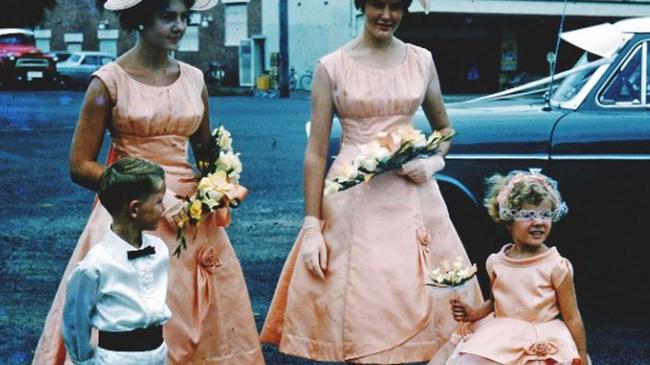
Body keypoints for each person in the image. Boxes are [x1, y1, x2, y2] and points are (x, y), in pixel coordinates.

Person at [33, 1, 265, 364]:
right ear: (140, 20)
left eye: (184, 17)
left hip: (190, 214)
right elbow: (79, 165)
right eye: (167, 16)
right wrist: (147, 193)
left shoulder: (194, 79)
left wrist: (221, 183)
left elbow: (204, 152)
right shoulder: (107, 82)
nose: (179, 26)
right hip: (133, 215)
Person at [260, 0, 483, 363]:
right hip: (353, 200)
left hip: (412, 195)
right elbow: (316, 152)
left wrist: (434, 161)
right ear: (361, 5)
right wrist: (313, 226)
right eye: (377, 4)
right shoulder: (331, 67)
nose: (386, 15)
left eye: (396, 7)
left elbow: (444, 129)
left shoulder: (421, 60)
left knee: (417, 299)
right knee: (364, 304)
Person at [430, 170, 588, 365]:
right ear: (507, 219)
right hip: (501, 337)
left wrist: (581, 354)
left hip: (542, 335)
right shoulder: (496, 262)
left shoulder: (556, 266)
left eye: (545, 214)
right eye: (528, 215)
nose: (538, 222)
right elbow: (497, 302)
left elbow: (572, 316)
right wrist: (473, 313)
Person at [63, 158, 171, 365]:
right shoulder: (95, 265)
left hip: (158, 353)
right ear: (134, 209)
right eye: (158, 201)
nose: (164, 208)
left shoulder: (159, 250)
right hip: (117, 358)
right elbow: (76, 319)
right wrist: (83, 359)